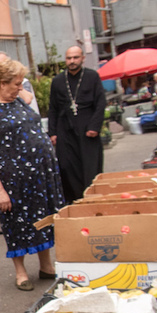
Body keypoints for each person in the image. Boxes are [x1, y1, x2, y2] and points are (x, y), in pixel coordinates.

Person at [0, 60, 63, 290]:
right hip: (14, 181)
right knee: (17, 223)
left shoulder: (16, 99)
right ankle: (20, 272)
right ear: (1, 84)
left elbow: (29, 104)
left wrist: (20, 87)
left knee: (44, 218)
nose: (20, 88)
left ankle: (46, 265)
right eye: (16, 84)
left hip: (40, 175)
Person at [48, 45, 107, 203]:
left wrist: (95, 126)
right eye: (69, 58)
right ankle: (75, 201)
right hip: (64, 128)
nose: (72, 61)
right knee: (67, 166)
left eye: (75, 57)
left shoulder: (92, 76)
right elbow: (52, 108)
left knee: (90, 166)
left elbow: (100, 103)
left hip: (88, 127)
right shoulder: (58, 80)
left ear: (82, 58)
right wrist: (52, 132)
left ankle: (93, 200)